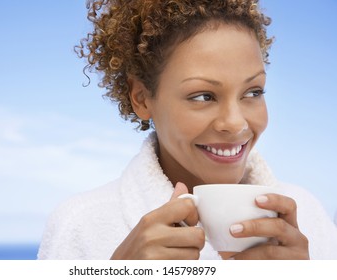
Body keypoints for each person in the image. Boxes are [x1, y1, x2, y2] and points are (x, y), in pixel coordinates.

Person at [38, 0, 337, 260]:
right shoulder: (81, 226)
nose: (236, 123)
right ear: (141, 98)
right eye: (203, 96)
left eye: (253, 92)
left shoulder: (308, 217)